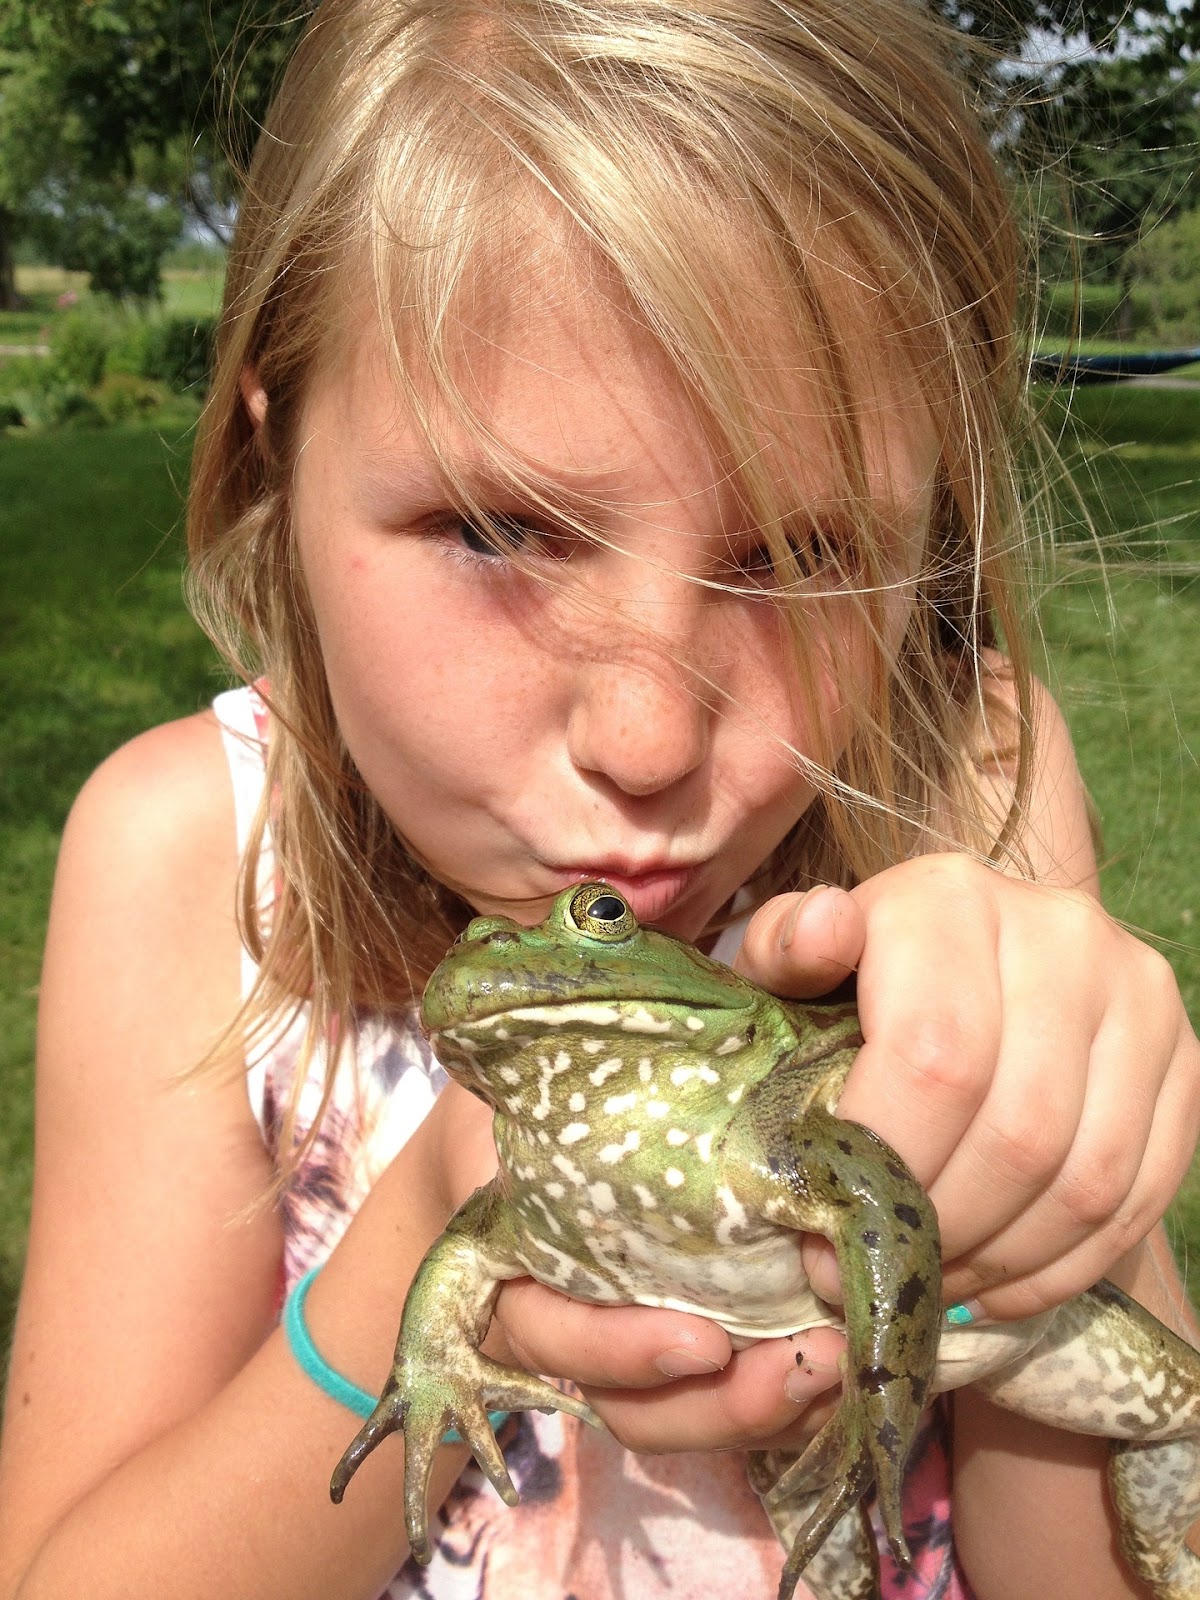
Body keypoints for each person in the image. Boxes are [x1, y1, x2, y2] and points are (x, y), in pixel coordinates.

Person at [1, 1, 1198, 1596]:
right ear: (277, 465)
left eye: (805, 556)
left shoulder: (963, 789)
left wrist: (1063, 1184)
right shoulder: (197, 856)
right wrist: (442, 1217)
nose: (648, 738)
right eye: (499, 529)